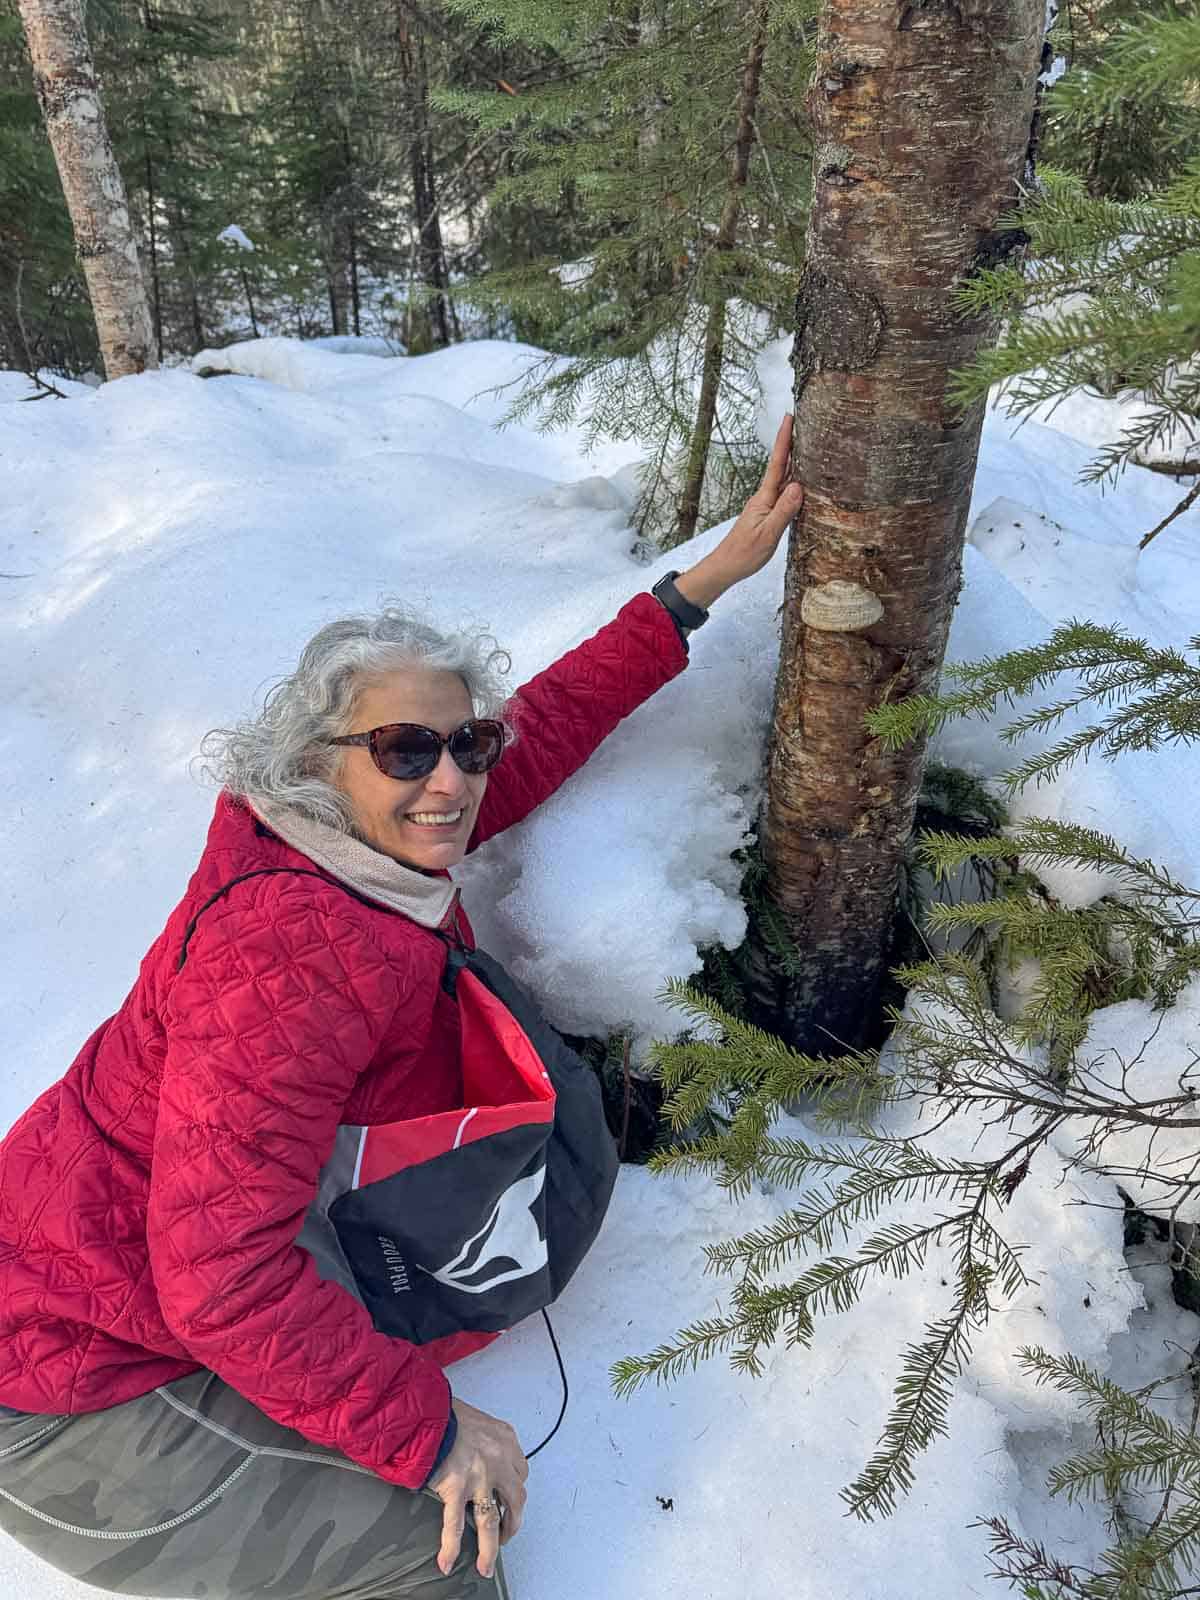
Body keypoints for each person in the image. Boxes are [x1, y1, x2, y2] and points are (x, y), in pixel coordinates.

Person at [0, 420, 803, 1600]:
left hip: (122, 1288)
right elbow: (220, 1275)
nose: (451, 779)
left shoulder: (354, 852)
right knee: (436, 1561)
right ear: (318, 764)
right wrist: (425, 1433)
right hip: (68, 1378)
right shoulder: (293, 950)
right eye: (405, 747)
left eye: (461, 743)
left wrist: (699, 588)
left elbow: (534, 740)